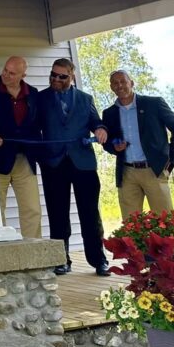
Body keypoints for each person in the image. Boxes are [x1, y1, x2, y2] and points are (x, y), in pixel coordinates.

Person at [36, 58, 109, 276]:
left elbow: (95, 121)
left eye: (62, 76)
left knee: (90, 214)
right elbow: (32, 127)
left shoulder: (85, 99)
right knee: (57, 214)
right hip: (54, 163)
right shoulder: (41, 98)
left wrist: (100, 129)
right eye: (53, 75)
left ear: (72, 76)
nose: (56, 79)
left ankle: (99, 260)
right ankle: (61, 260)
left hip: (83, 163)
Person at [102, 69, 174, 218]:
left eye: (123, 81)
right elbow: (107, 141)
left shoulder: (154, 104)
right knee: (131, 226)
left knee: (165, 221)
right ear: (111, 87)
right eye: (115, 83)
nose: (119, 85)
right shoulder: (109, 113)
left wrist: (171, 160)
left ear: (132, 83)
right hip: (127, 173)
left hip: (154, 169)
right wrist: (113, 147)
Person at [0, 56, 42, 239]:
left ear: (23, 75)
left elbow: (35, 126)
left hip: (25, 158)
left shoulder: (32, 93)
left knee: (32, 208)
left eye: (12, 73)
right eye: (5, 70)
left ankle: (34, 255)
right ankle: (1, 253)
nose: (6, 75)